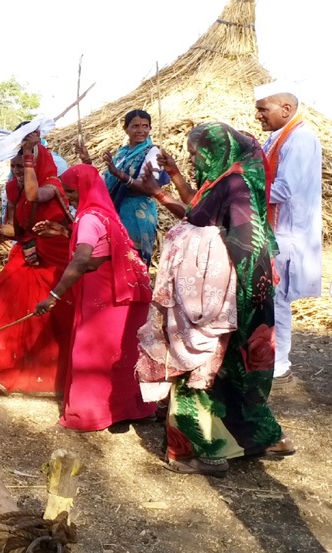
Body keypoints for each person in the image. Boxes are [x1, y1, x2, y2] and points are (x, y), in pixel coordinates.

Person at [138, 122, 292, 476]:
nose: (194, 161)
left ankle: (199, 452)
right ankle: (262, 437)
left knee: (200, 363)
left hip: (229, 292)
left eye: (197, 154)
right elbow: (201, 209)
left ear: (216, 152)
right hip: (239, 291)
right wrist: (171, 181)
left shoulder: (235, 184)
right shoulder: (227, 180)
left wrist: (207, 278)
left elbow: (237, 238)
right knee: (233, 371)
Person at [34, 164, 155, 430]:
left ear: (85, 188)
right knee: (120, 352)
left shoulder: (89, 218)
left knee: (94, 352)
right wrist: (66, 233)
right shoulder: (105, 214)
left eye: (71, 191)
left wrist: (54, 295)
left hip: (104, 295)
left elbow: (82, 260)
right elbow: (102, 253)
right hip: (124, 292)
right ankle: (125, 409)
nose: (68, 197)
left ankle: (93, 412)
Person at [0, 136, 74, 395]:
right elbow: (17, 228)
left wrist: (28, 157)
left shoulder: (52, 185)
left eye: (22, 166)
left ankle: (47, 374)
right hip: (27, 251)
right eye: (13, 167)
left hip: (54, 255)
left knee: (52, 312)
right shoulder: (12, 189)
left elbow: (35, 196)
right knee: (4, 300)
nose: (18, 172)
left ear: (36, 163)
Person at [254, 83, 323, 387]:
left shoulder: (301, 139)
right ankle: (269, 357)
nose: (257, 115)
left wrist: (239, 190)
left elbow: (284, 188)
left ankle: (279, 364)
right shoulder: (277, 138)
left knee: (278, 299)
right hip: (276, 230)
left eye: (262, 108)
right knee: (270, 298)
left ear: (286, 109)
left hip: (287, 233)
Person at [76, 110, 169, 264]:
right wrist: (87, 161)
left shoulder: (153, 152)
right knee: (116, 260)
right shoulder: (121, 153)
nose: (141, 130)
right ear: (126, 129)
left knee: (133, 259)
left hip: (137, 212)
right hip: (116, 210)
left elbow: (149, 188)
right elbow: (106, 184)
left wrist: (120, 174)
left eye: (145, 126)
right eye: (135, 126)